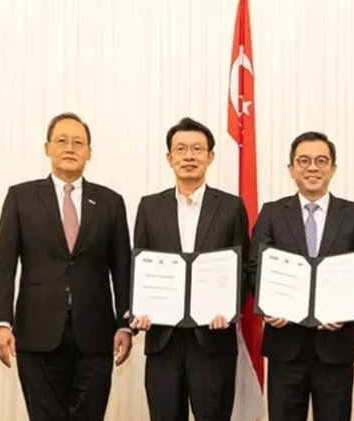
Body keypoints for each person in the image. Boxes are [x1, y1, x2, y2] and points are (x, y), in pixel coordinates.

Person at [0, 112, 133, 421]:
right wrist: (0, 322)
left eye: (78, 143)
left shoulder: (111, 202)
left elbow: (122, 269)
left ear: (89, 152)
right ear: (47, 148)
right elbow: (3, 265)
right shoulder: (21, 197)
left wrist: (124, 324)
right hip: (36, 332)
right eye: (62, 141)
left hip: (96, 335)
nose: (70, 148)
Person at [247, 131, 354, 421]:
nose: (312, 168)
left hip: (335, 346)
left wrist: (346, 310)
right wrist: (268, 306)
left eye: (321, 161)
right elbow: (255, 267)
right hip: (284, 345)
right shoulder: (272, 213)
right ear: (291, 168)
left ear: (333, 168)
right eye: (303, 161)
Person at [129, 117, 249, 421]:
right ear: (169, 158)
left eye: (197, 149)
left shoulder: (231, 207)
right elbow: (139, 267)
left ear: (210, 156)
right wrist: (139, 309)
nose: (189, 156)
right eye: (180, 149)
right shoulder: (149, 207)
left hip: (213, 339)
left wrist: (229, 309)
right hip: (162, 340)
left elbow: (243, 269)